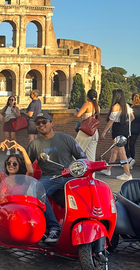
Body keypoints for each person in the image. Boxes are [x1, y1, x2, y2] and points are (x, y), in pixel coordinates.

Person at [26, 112, 86, 243]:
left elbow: (83, 158)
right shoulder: (34, 144)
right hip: (50, 177)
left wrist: (79, 170)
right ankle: (54, 228)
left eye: (44, 122)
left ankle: (88, 223)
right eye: (38, 123)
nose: (41, 125)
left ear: (51, 123)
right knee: (38, 191)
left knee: (88, 191)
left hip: (70, 176)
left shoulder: (66, 138)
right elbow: (25, 164)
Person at [100, 89, 134, 180]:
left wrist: (104, 132)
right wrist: (125, 123)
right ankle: (108, 170)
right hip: (125, 130)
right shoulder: (127, 106)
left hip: (118, 131)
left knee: (122, 153)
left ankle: (127, 174)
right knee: (114, 151)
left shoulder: (116, 106)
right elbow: (132, 117)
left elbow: (111, 121)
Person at [73, 89, 100, 161]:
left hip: (85, 131)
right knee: (91, 156)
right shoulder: (97, 107)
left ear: (87, 96)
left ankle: (76, 170)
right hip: (94, 131)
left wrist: (76, 112)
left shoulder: (87, 104)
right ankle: (91, 172)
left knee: (77, 151)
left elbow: (78, 115)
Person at [126, 93, 140, 168]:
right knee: (132, 145)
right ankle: (132, 160)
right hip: (137, 129)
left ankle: (129, 158)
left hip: (129, 128)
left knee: (125, 144)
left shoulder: (130, 108)